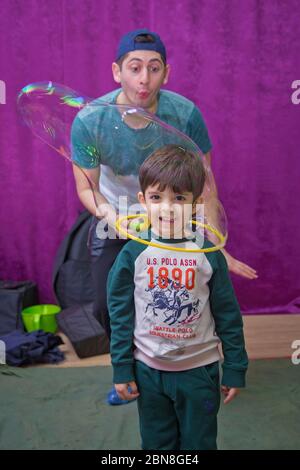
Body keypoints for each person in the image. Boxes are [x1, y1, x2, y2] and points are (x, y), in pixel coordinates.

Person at [71, 28, 255, 403]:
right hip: (116, 215)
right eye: (134, 68)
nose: (144, 78)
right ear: (115, 71)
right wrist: (112, 215)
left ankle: (167, 371)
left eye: (154, 68)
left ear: (166, 73)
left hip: (173, 216)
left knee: (171, 294)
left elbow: (205, 185)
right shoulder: (91, 120)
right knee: (108, 303)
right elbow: (86, 188)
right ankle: (129, 370)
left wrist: (215, 243)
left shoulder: (185, 114)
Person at [107, 144, 248, 450]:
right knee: (157, 444)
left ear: (196, 203)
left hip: (199, 373)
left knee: (199, 444)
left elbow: (227, 314)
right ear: (143, 200)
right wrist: (121, 367)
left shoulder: (208, 256)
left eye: (179, 198)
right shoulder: (133, 254)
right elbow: (120, 314)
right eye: (157, 197)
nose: (168, 208)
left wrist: (235, 367)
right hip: (148, 372)